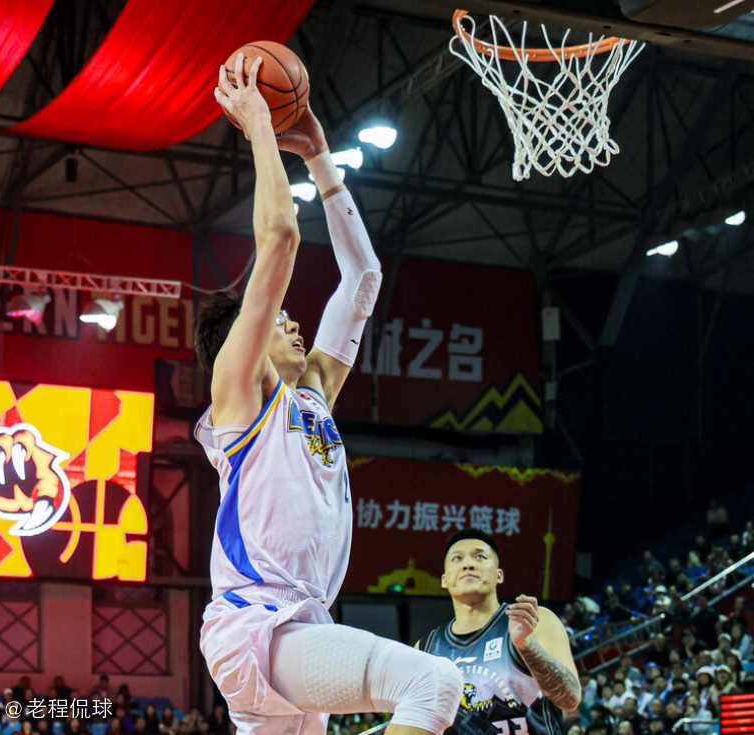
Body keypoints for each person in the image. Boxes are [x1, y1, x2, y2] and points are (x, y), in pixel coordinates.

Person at [195, 53, 462, 735]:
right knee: (431, 681)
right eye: (280, 319)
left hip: (300, 627)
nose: (293, 323)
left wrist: (319, 156)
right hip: (258, 625)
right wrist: (259, 125)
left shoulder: (311, 394)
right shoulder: (239, 393)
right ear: (245, 341)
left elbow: (363, 278)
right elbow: (280, 237)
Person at [416, 529, 581, 735]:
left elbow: (570, 700)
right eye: (457, 558)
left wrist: (526, 645)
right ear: (444, 580)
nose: (468, 564)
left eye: (479, 556)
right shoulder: (427, 648)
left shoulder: (534, 620)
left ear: (499, 575)